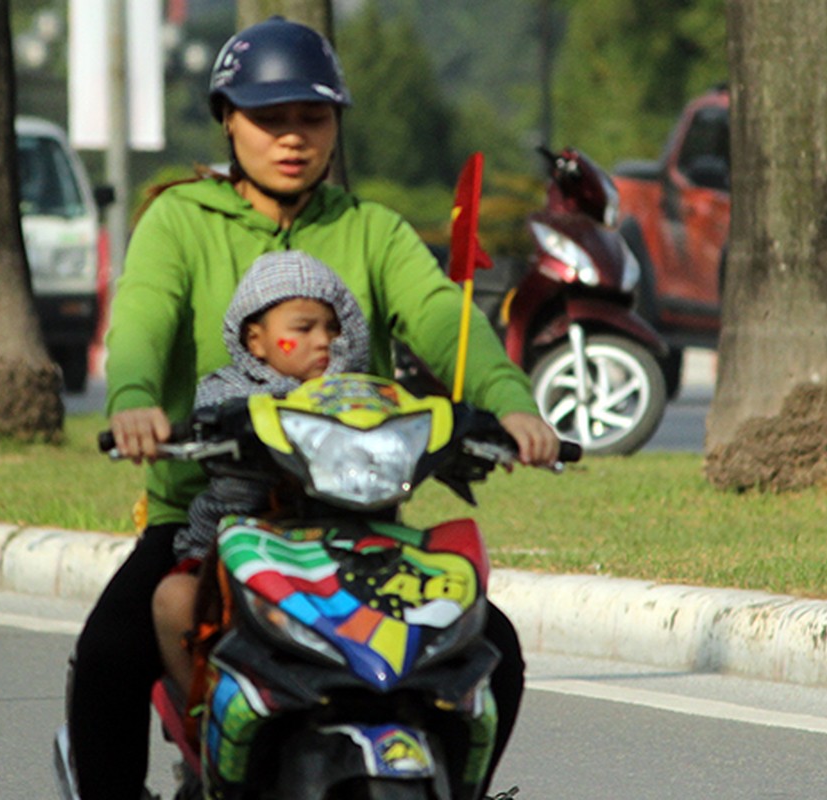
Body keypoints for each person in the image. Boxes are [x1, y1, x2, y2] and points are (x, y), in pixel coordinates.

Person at [68, 16, 562, 800]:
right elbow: (143, 323)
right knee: (109, 651)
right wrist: (132, 403)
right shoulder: (179, 221)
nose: (291, 137)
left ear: (336, 125)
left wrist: (512, 406)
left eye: (312, 116)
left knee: (489, 642)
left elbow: (443, 317)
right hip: (207, 515)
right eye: (269, 118)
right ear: (227, 120)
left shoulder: (371, 230)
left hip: (354, 523)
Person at [152, 249, 371, 692]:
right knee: (173, 600)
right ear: (256, 341)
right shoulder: (228, 390)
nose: (324, 340)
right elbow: (207, 415)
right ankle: (203, 704)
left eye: (332, 327)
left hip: (342, 547)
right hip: (236, 547)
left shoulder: (354, 394)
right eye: (303, 329)